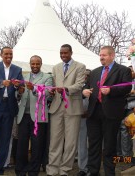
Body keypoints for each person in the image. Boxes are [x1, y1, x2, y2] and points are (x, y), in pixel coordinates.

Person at [83, 46, 132, 176]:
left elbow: (127, 87)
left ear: (112, 56)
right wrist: (84, 91)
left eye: (104, 55)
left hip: (111, 113)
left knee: (110, 146)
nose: (101, 57)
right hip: (94, 112)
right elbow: (86, 87)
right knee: (93, 145)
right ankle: (93, 172)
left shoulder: (123, 70)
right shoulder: (94, 72)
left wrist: (111, 90)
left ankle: (109, 172)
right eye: (100, 55)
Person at [46, 44, 86, 176]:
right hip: (57, 107)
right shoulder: (56, 67)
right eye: (61, 53)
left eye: (65, 53)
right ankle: (52, 169)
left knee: (70, 141)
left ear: (71, 53)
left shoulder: (80, 67)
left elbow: (80, 84)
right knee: (55, 140)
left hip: (73, 107)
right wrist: (51, 90)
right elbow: (53, 84)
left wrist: (66, 89)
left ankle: (65, 169)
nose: (63, 55)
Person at [0, 46, 23, 175]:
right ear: (1, 55)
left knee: (5, 141)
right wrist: (2, 82)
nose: (9, 56)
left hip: (9, 107)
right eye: (6, 54)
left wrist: (18, 85)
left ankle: (0, 168)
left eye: (11, 54)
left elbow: (21, 85)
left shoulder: (17, 69)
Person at [15, 55, 53, 176]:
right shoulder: (23, 77)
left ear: (41, 64)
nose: (35, 66)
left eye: (37, 64)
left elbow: (47, 93)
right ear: (30, 64)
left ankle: (33, 171)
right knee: (22, 145)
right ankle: (20, 170)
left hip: (38, 117)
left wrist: (34, 90)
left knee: (37, 146)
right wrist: (19, 93)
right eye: (33, 64)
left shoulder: (47, 77)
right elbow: (18, 96)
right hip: (23, 116)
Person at [77, 69, 91, 176]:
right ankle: (83, 168)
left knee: (94, 144)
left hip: (93, 118)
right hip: (81, 118)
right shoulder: (77, 86)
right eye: (83, 75)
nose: (85, 77)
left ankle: (92, 167)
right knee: (81, 144)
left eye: (87, 75)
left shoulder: (95, 85)